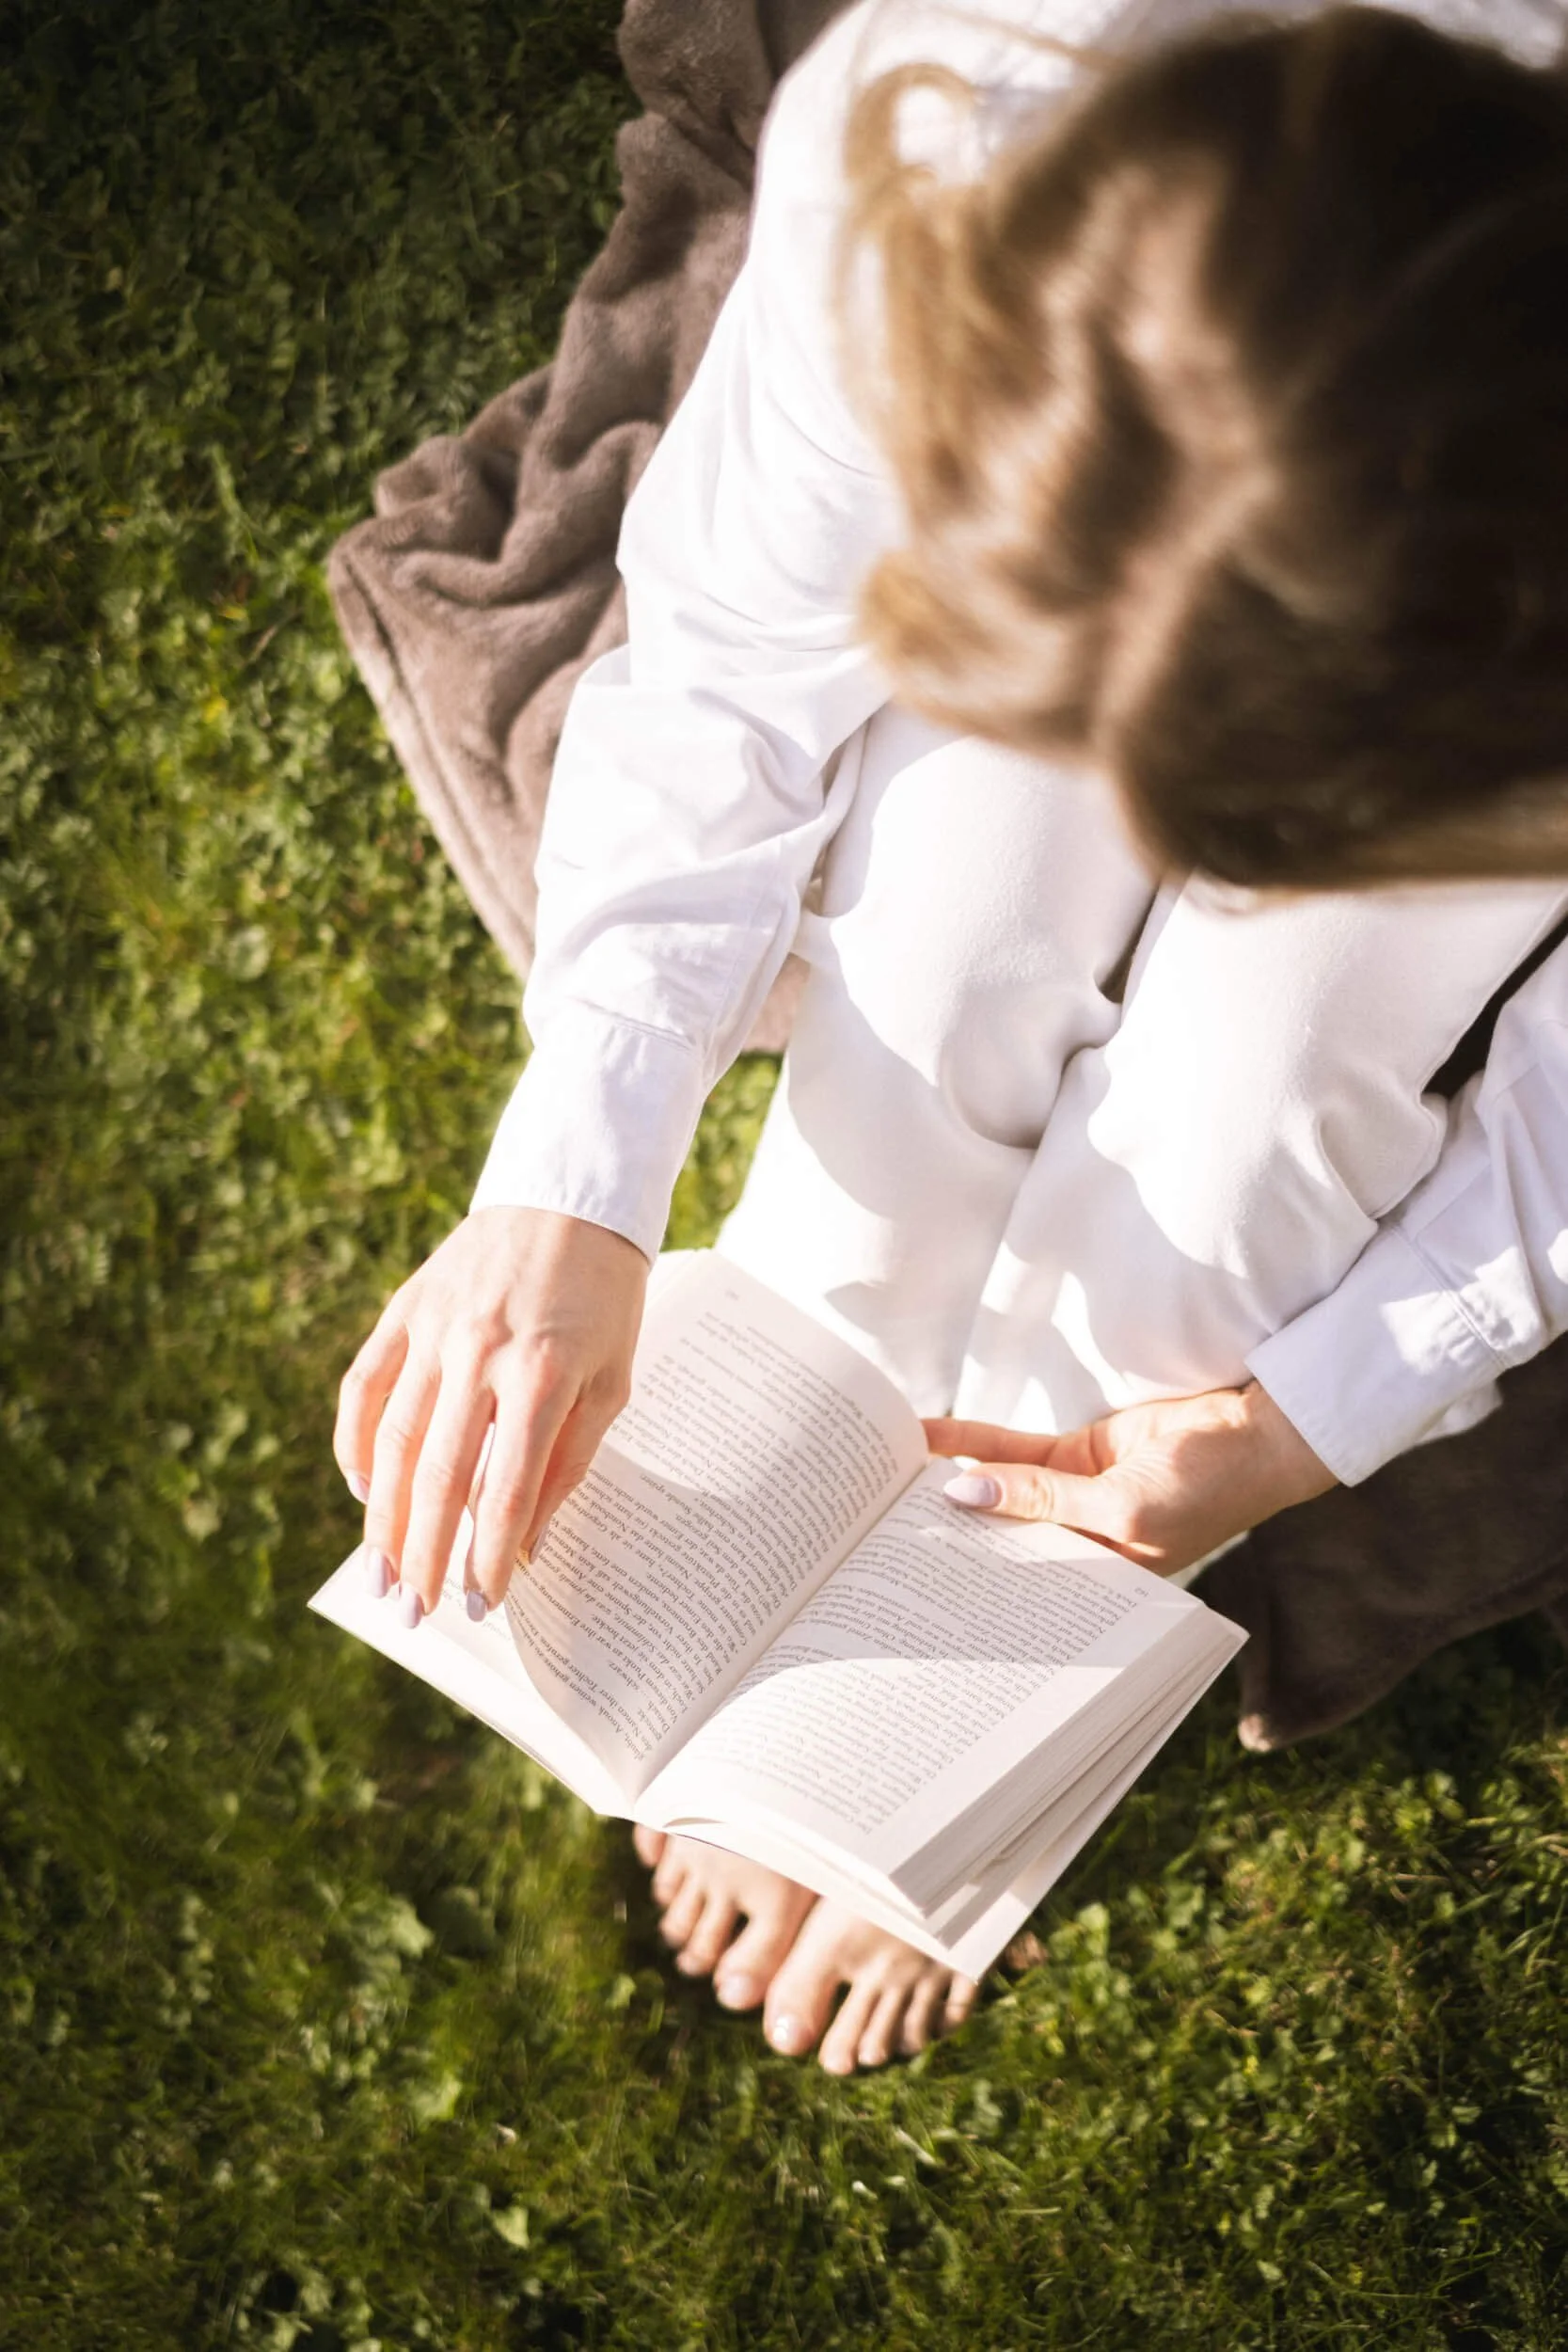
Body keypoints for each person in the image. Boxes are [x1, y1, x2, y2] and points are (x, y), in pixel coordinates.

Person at [335, 0, 1568, 2074]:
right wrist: (573, 1173)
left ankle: (960, 1666)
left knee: (1252, 1105)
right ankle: (804, 1504)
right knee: (941, 911)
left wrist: (1300, 1419)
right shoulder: (966, 128)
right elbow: (728, 674)